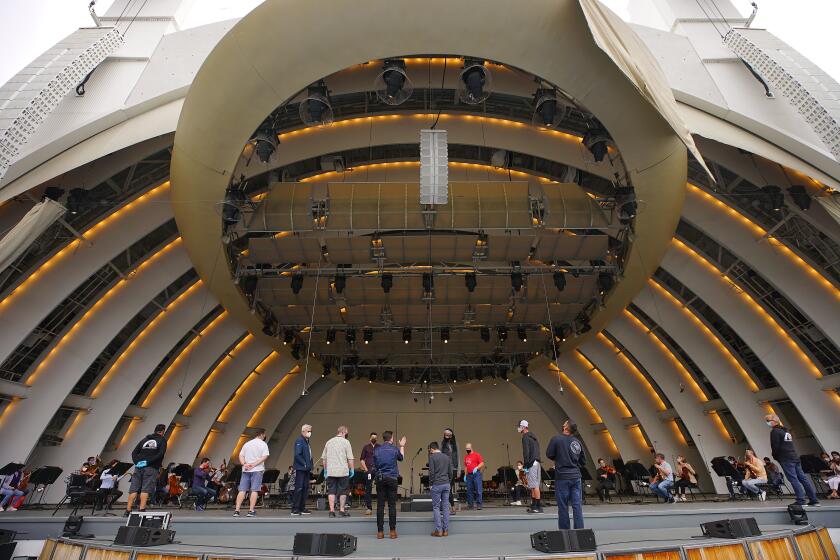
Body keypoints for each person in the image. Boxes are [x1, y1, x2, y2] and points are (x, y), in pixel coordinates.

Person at [766, 414, 820, 507]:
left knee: (793, 479)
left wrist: (775, 456)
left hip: (786, 458)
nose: (767, 423)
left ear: (774, 421)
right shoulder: (785, 431)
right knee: (803, 479)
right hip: (794, 457)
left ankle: (801, 500)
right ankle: (814, 500)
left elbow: (775, 446)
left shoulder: (775, 431)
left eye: (768, 420)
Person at [546, 419, 586, 529]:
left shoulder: (556, 439)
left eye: (564, 423)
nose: (563, 424)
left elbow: (549, 454)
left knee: (563, 506)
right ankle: (580, 532)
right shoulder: (577, 442)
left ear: (566, 427)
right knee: (577, 506)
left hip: (562, 477)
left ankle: (565, 534)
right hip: (576, 477)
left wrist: (559, 459)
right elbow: (583, 461)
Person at [126, 423, 168, 516]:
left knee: (134, 489)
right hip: (151, 467)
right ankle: (142, 510)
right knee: (145, 489)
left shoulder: (145, 439)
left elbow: (134, 452)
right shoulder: (162, 440)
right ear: (163, 431)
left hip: (138, 467)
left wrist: (137, 463)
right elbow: (160, 454)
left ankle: (128, 511)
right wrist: (148, 462)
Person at [373, 431, 406, 540]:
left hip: (380, 478)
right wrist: (402, 446)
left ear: (383, 439)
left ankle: (380, 532)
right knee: (392, 505)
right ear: (391, 439)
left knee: (380, 506)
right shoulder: (394, 449)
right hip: (392, 478)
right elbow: (401, 458)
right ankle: (392, 532)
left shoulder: (377, 450)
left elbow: (375, 466)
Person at [234, 428, 270, 517]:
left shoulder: (247, 444)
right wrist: (254, 464)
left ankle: (237, 511)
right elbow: (265, 456)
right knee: (255, 490)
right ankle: (251, 511)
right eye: (264, 434)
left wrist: (244, 464)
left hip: (246, 470)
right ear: (261, 434)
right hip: (257, 470)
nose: (265, 436)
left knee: (242, 490)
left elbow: (241, 455)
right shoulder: (263, 444)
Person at [322, 425, 354, 518]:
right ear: (343, 432)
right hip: (343, 471)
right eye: (347, 433)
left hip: (331, 471)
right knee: (343, 491)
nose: (347, 434)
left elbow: (324, 459)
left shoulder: (329, 442)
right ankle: (341, 510)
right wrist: (352, 469)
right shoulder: (346, 442)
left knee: (331, 491)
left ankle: (331, 511)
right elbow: (350, 458)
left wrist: (325, 470)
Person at [518, 419, 543, 513]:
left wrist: (526, 466)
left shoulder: (525, 437)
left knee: (534, 485)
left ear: (523, 427)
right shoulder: (534, 437)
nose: (519, 428)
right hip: (537, 462)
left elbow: (526, 452)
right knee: (533, 484)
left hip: (531, 463)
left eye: (520, 426)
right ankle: (534, 505)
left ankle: (538, 507)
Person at [428, 441, 451, 537]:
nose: (430, 452)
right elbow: (450, 472)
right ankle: (446, 530)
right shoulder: (446, 457)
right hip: (446, 484)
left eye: (430, 450)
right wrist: (448, 480)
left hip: (437, 484)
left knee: (436, 507)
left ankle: (439, 531)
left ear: (432, 449)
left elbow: (432, 472)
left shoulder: (432, 457)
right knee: (445, 507)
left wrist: (430, 484)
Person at [291, 424, 313, 516]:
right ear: (303, 431)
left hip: (306, 469)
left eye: (310, 431)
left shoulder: (306, 441)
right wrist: (305, 463)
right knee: (299, 488)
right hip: (301, 469)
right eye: (308, 431)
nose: (310, 432)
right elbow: (297, 454)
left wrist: (310, 464)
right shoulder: (299, 440)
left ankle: (302, 507)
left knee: (305, 488)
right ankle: (295, 509)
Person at [360, 432, 379, 516]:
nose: (374, 439)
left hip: (378, 471)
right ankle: (369, 508)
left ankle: (380, 508)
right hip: (369, 471)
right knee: (368, 489)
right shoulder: (366, 447)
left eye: (375, 437)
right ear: (370, 438)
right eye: (373, 437)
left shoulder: (380, 447)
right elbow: (362, 459)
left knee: (380, 489)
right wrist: (366, 469)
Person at [440, 428, 459, 513]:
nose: (446, 436)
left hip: (454, 468)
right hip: (445, 469)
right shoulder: (442, 444)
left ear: (451, 435)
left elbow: (458, 456)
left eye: (448, 434)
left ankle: (451, 506)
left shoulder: (455, 444)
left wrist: (459, 470)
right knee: (447, 488)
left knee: (449, 488)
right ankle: (451, 506)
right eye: (445, 435)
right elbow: (440, 456)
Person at [462, 443, 485, 510]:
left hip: (476, 474)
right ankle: (470, 505)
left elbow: (482, 463)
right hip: (469, 475)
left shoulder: (477, 455)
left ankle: (479, 505)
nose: (467, 450)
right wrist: (465, 475)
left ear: (471, 448)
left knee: (478, 490)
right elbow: (466, 466)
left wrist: (477, 468)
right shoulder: (466, 457)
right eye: (466, 449)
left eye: (468, 449)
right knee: (469, 490)